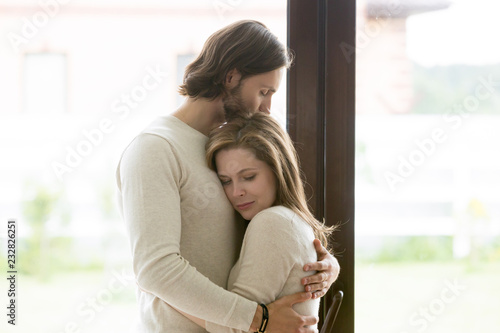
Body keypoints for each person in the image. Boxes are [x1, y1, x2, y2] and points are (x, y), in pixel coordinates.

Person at [116, 20, 340, 332]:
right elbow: (155, 269)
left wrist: (320, 263)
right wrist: (258, 319)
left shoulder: (225, 148)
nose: (266, 108)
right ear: (231, 76)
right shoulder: (155, 148)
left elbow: (263, 228)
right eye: (263, 91)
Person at [175, 111, 337, 333]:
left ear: (278, 169)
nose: (236, 192)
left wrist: (166, 294)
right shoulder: (289, 221)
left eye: (249, 177)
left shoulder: (273, 222)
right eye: (225, 181)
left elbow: (236, 328)